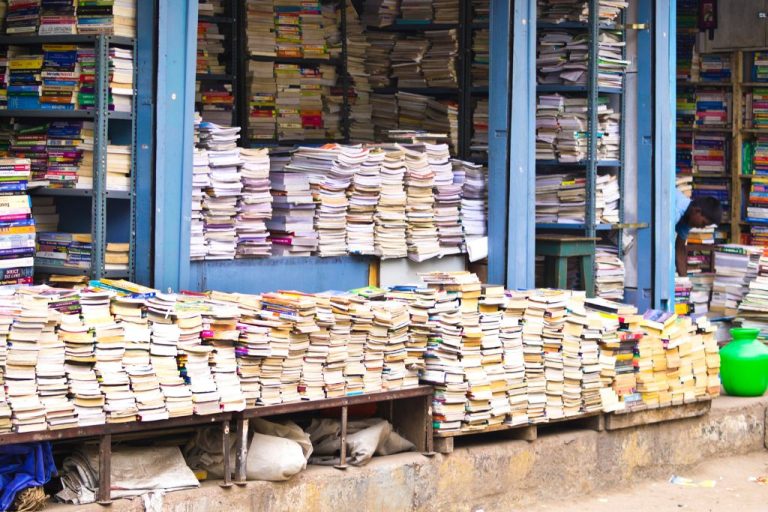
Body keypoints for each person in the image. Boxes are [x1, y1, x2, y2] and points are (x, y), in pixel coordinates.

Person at [675, 190, 724, 277]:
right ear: (697, 211)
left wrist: (685, 283)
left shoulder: (688, 217)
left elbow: (680, 249)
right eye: (703, 223)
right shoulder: (676, 211)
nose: (702, 227)